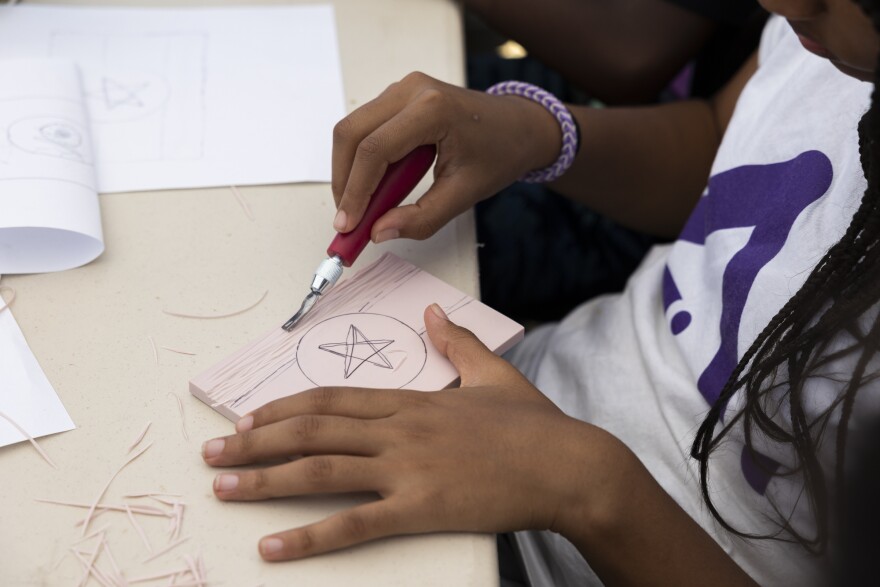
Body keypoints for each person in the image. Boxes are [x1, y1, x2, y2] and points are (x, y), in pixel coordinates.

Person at [200, 0, 880, 584]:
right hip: (520, 408)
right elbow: (723, 143)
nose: (780, 5)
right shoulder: (829, 38)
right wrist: (543, 134)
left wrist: (588, 483)